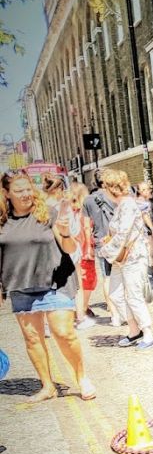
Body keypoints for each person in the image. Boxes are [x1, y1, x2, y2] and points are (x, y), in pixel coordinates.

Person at [0, 172, 95, 401]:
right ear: (6, 193)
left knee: (63, 333)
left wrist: (64, 233)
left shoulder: (47, 214)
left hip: (55, 281)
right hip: (20, 285)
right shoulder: (2, 221)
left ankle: (81, 377)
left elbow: (70, 248)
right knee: (33, 339)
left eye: (28, 189)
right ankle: (47, 386)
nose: (25, 194)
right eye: (19, 190)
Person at [101, 168, 153, 349]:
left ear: (112, 188)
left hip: (132, 257)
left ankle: (147, 333)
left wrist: (105, 250)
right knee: (115, 294)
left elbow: (123, 233)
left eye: (105, 187)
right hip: (122, 257)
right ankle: (134, 330)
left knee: (133, 296)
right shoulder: (122, 205)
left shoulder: (128, 205)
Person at [82, 171, 116, 322]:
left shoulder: (88, 200)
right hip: (117, 241)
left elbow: (86, 227)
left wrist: (89, 247)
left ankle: (112, 310)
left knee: (107, 277)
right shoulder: (114, 196)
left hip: (100, 243)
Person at [66, 182, 98, 330]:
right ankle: (82, 309)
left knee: (77, 282)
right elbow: (86, 229)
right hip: (83, 250)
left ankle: (79, 309)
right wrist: (89, 249)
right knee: (87, 281)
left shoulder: (67, 210)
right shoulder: (82, 211)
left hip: (72, 251)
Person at [135, 181, 153, 279]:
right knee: (150, 251)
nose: (148, 191)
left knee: (152, 251)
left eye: (148, 189)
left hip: (147, 229)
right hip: (145, 230)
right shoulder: (141, 202)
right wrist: (152, 229)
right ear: (139, 191)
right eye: (144, 189)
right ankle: (147, 270)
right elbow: (145, 216)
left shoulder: (147, 202)